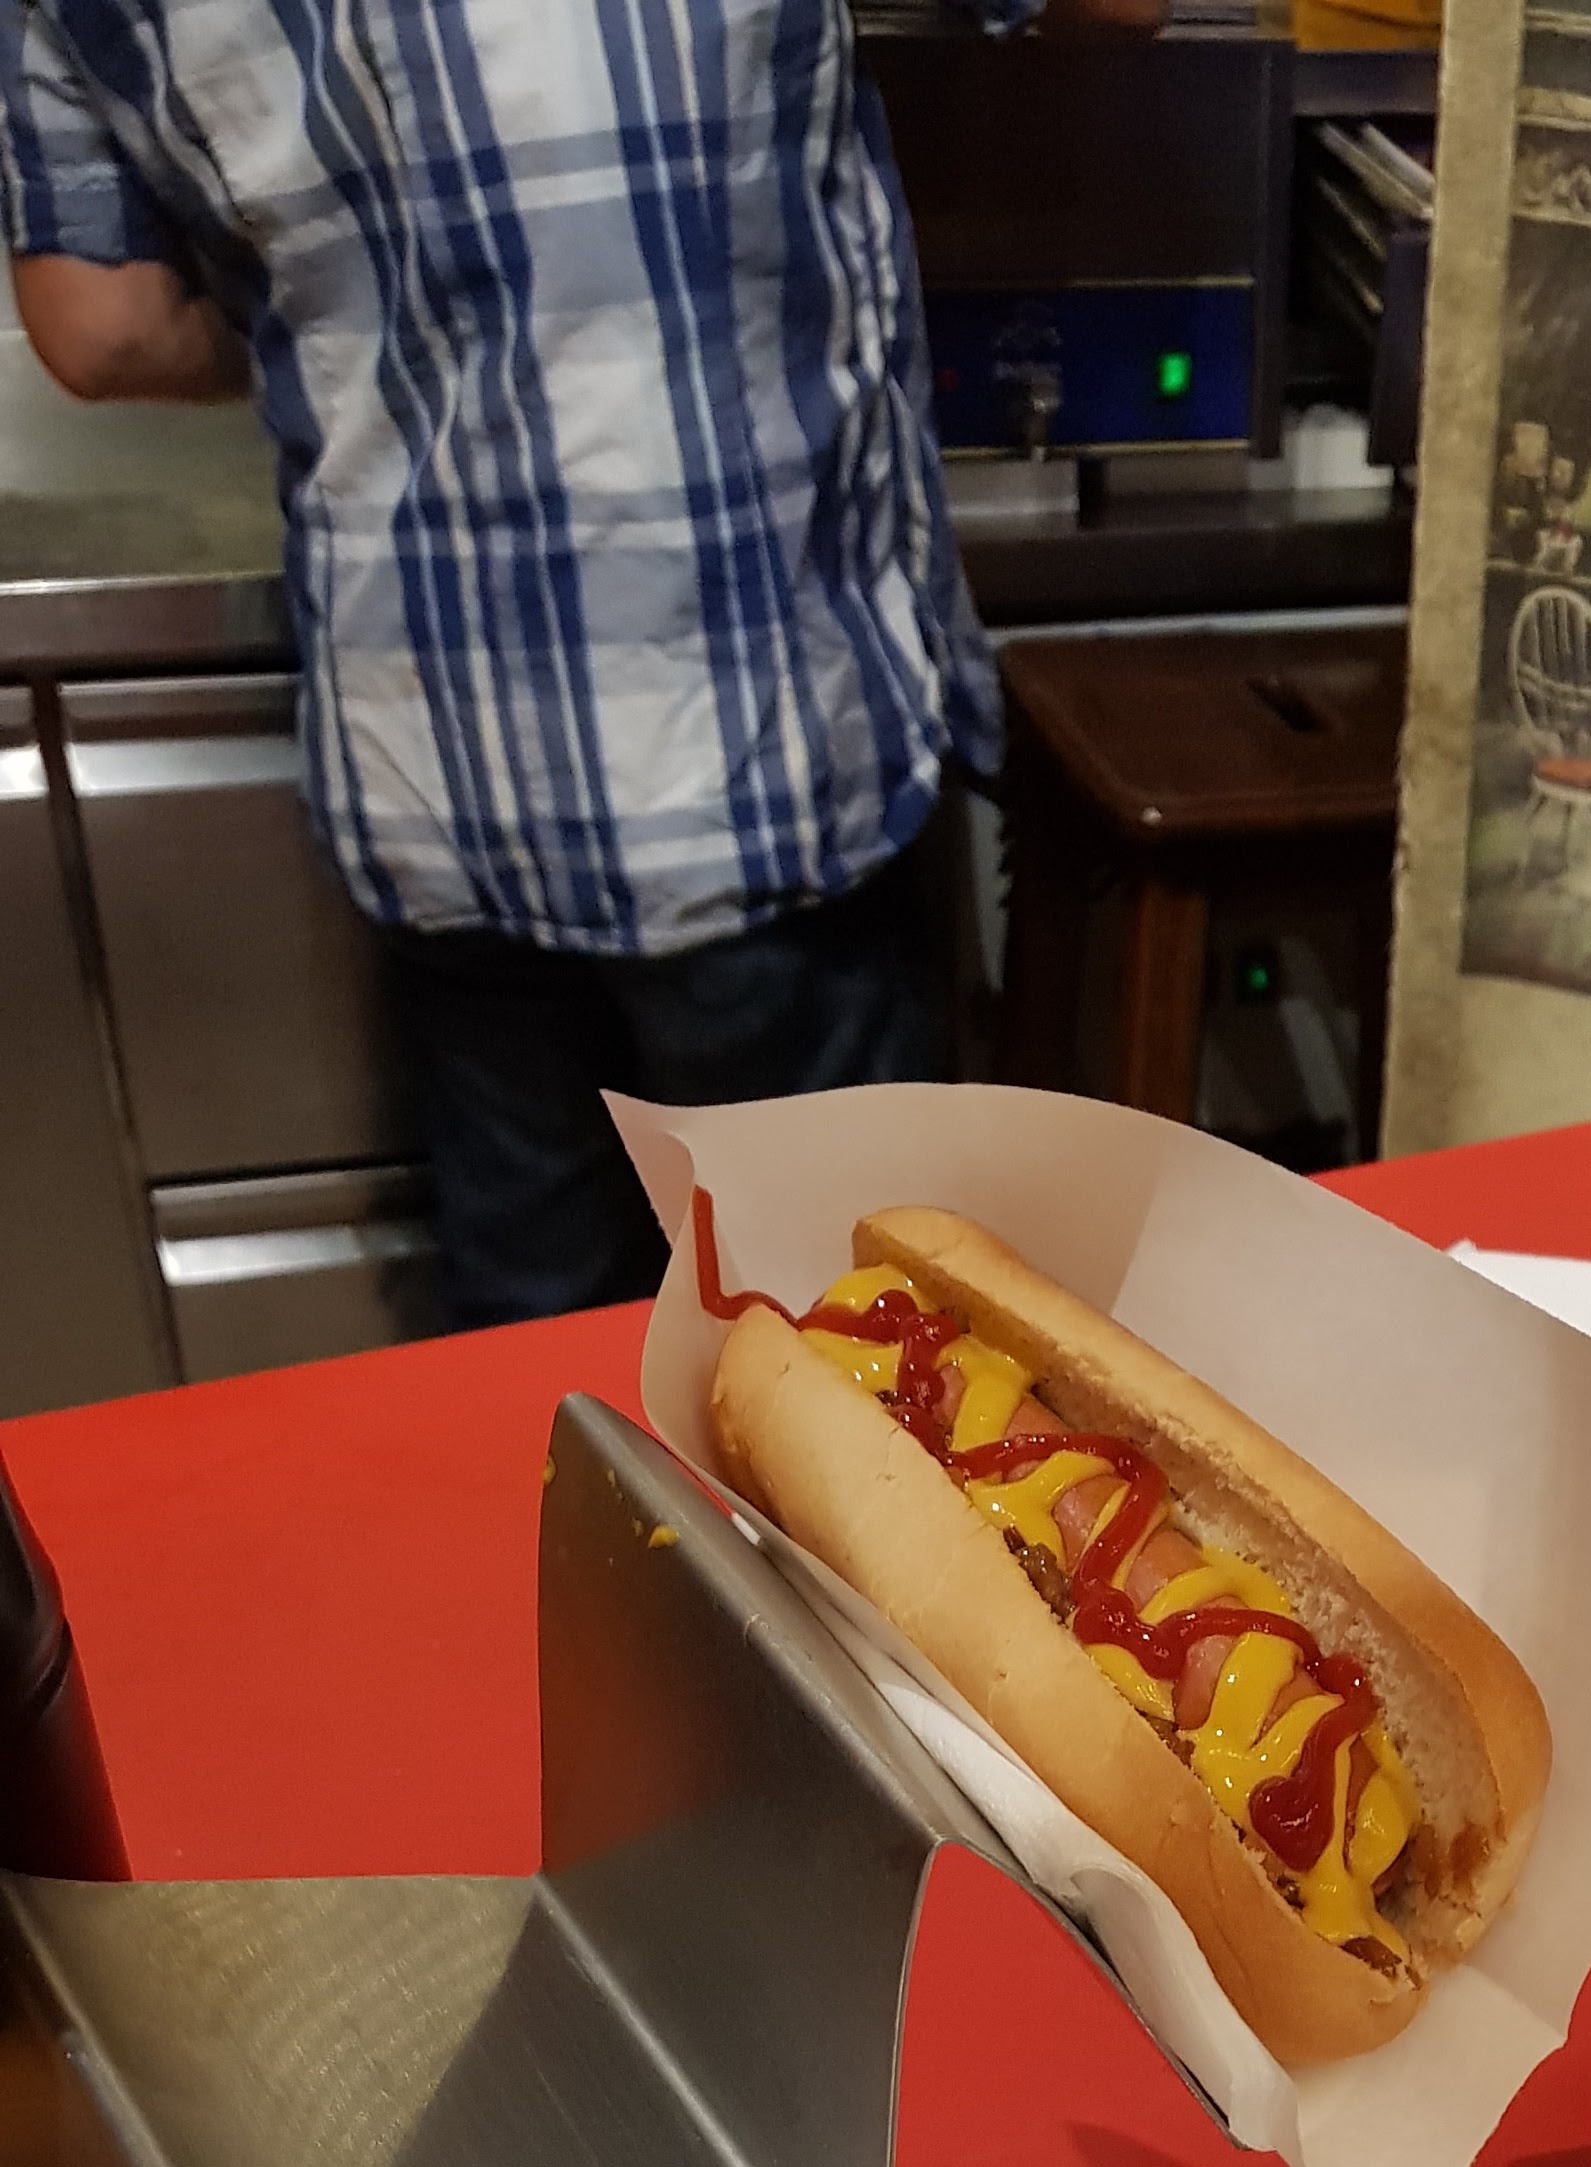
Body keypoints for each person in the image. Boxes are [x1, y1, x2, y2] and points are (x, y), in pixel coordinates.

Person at [1, 0, 1002, 1330]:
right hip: (760, 760)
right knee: (845, 1335)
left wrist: (353, 342)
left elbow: (101, 327)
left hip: (436, 778)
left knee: (540, 1340)